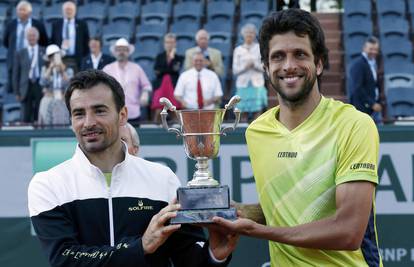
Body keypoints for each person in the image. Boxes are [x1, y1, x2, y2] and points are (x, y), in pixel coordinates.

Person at [213, 9, 383, 267]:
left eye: (300, 54)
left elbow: (349, 231)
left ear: (319, 63)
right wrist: (239, 212)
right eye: (278, 57)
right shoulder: (257, 132)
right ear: (266, 67)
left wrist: (258, 232)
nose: (289, 65)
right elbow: (290, 205)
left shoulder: (355, 125)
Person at [28, 69, 238, 267]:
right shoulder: (48, 183)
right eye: (79, 114)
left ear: (122, 115)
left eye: (99, 110)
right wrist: (140, 247)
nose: (88, 122)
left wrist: (214, 254)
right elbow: (66, 260)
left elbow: (187, 258)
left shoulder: (162, 177)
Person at [103, 38, 152, 126]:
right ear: (115, 52)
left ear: (128, 52)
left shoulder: (137, 68)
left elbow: (147, 85)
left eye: (124, 50)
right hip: (114, 112)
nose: (121, 52)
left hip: (133, 113)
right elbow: (101, 88)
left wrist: (145, 94)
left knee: (133, 139)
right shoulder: (107, 69)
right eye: (119, 50)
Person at [3, 0, 48, 93]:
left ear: (29, 12)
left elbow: (44, 41)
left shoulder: (38, 24)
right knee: (16, 88)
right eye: (19, 10)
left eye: (23, 10)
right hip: (15, 61)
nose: (20, 12)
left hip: (33, 61)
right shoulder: (10, 24)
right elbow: (6, 42)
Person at [232, 23, 267, 122]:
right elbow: (235, 70)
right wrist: (245, 67)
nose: (249, 35)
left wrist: (254, 65)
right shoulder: (238, 50)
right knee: (242, 113)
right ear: (243, 35)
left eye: (251, 33)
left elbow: (264, 67)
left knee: (258, 112)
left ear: (254, 34)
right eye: (247, 33)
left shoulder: (259, 48)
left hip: (257, 84)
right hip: (243, 85)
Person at [12, 27, 45, 123]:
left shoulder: (44, 51)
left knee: (39, 114)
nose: (32, 38)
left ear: (37, 37)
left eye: (33, 35)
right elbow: (16, 74)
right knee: (25, 115)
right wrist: (17, 92)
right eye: (29, 36)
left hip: (40, 85)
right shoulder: (20, 53)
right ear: (26, 38)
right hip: (25, 87)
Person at [151, 33, 184, 123]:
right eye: (167, 42)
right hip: (161, 86)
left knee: (174, 112)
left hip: (173, 86)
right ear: (164, 44)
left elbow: (175, 69)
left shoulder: (178, 58)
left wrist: (171, 58)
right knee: (158, 111)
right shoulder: (159, 57)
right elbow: (157, 71)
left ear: (175, 44)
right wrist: (168, 69)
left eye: (171, 42)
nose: (169, 44)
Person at [349, 36, 383, 125]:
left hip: (373, 108)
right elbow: (357, 88)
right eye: (371, 49)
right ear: (364, 48)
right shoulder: (358, 64)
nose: (374, 52)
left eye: (376, 49)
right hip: (362, 108)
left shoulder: (373, 63)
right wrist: (372, 104)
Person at [38, 44, 73, 126]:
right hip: (49, 97)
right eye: (51, 57)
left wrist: (62, 70)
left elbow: (70, 85)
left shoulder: (68, 70)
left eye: (56, 56)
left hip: (63, 98)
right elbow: (42, 83)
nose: (53, 58)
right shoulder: (45, 69)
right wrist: (50, 68)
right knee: (45, 102)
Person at [50, 0, 90, 72]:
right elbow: (53, 41)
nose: (68, 11)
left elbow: (86, 42)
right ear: (62, 11)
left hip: (77, 59)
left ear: (75, 11)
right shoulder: (56, 24)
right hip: (60, 59)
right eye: (66, 9)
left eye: (71, 9)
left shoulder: (82, 25)